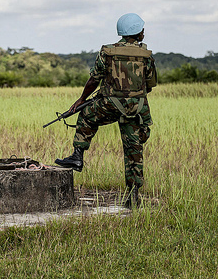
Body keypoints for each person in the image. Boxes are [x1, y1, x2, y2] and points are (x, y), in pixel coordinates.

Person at [55, 13, 157, 208]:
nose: (144, 32)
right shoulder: (147, 56)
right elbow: (150, 84)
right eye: (142, 29)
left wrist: (82, 99)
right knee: (134, 150)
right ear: (138, 32)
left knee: (86, 115)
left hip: (108, 104)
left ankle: (77, 156)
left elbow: (94, 79)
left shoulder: (107, 52)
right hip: (136, 108)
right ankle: (133, 195)